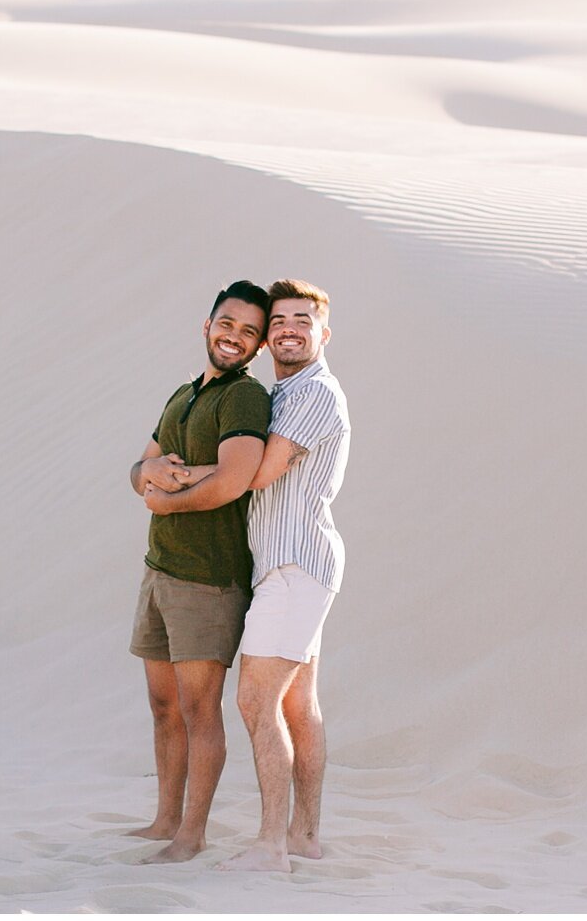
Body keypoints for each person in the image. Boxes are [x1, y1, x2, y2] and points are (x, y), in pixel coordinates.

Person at [160, 278, 350, 873]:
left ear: (323, 332)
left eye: (302, 320)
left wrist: (177, 476)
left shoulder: (315, 393)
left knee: (254, 700)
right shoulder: (287, 391)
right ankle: (304, 837)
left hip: (295, 566)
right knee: (298, 707)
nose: (288, 329)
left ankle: (271, 846)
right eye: (279, 322)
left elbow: (257, 474)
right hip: (290, 565)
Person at [126, 280, 272, 865]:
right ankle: (165, 820)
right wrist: (154, 473)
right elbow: (139, 465)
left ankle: (192, 834)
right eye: (226, 324)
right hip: (160, 570)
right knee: (163, 708)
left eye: (248, 332)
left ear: (259, 346)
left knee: (198, 710)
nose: (233, 337)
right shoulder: (186, 394)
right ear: (207, 325)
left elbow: (235, 480)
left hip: (208, 578)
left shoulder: (243, 397)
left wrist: (166, 493)